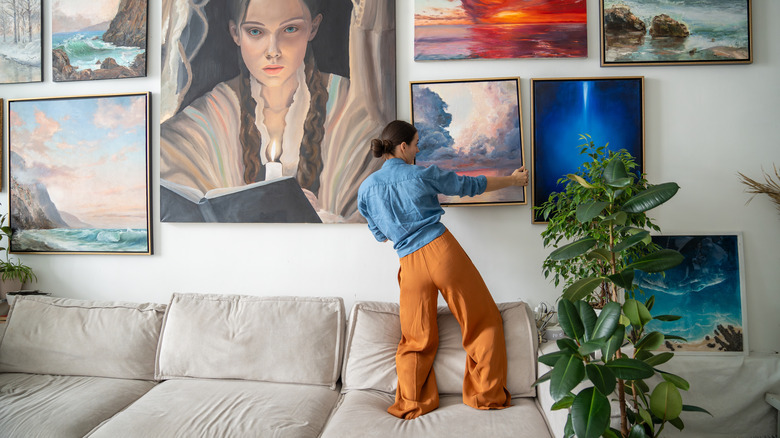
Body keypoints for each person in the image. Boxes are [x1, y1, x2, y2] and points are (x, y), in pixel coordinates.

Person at [159, 0, 395, 223]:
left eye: (290, 29)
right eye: (255, 32)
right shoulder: (205, 120)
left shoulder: (353, 106)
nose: (273, 51)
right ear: (235, 34)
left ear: (313, 28)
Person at [357, 120, 529, 419]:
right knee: (482, 320)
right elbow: (469, 185)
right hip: (441, 251)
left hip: (408, 263)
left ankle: (412, 403)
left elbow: (379, 234)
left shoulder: (366, 190)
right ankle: (486, 396)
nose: (418, 148)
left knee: (415, 338)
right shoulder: (422, 174)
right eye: (416, 143)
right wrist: (513, 181)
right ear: (403, 147)